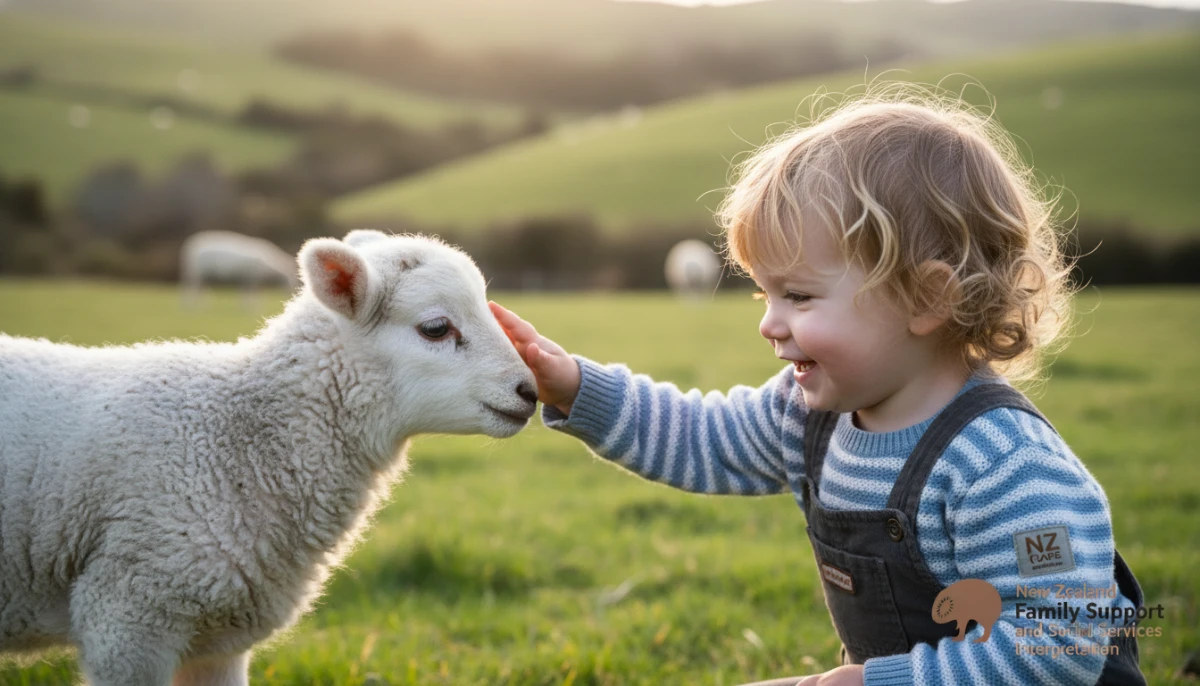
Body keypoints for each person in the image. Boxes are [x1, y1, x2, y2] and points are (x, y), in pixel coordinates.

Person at [490, 87, 1147, 686]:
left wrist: (866, 683)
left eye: (799, 295)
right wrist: (576, 386)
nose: (769, 324)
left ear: (926, 298)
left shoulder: (1008, 468)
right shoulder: (805, 416)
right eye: (763, 292)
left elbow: (1060, 645)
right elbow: (699, 437)